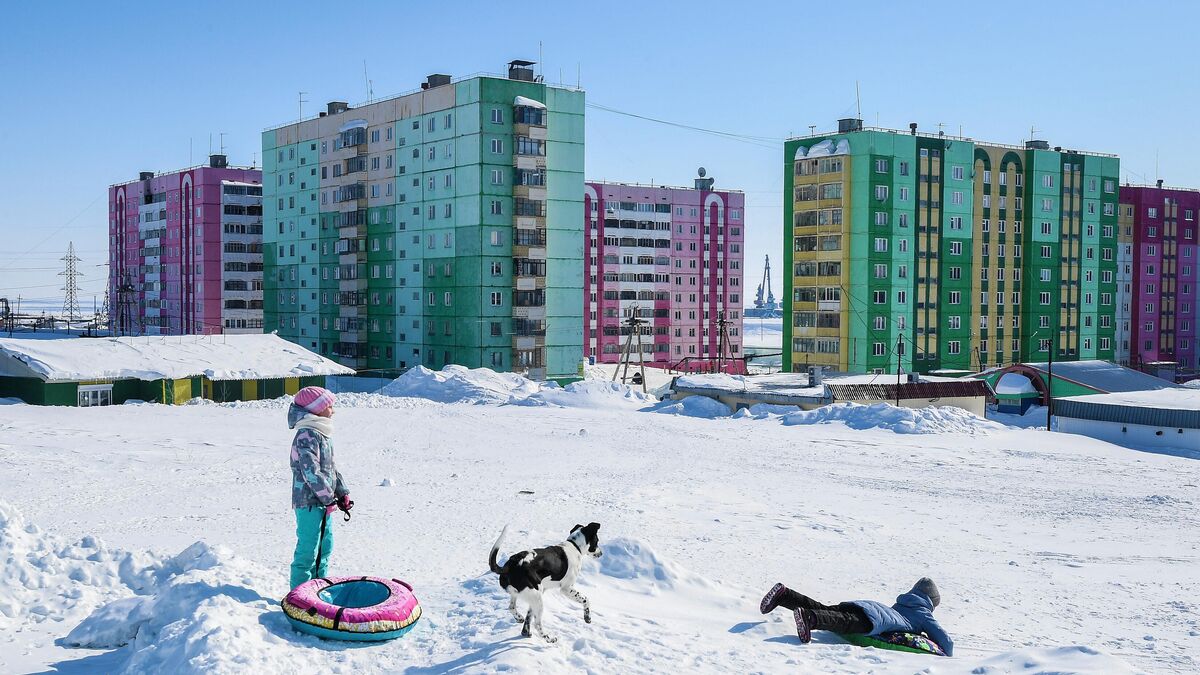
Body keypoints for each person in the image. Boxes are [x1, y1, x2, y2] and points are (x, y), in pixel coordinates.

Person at [758, 578, 953, 656]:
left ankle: (785, 595)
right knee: (844, 622)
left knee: (826, 609)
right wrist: (947, 655)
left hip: (864, 605)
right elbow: (946, 642)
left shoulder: (901, 604)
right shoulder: (923, 613)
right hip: (873, 620)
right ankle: (810, 619)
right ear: (931, 602)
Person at [288, 386, 353, 589]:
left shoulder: (322, 433)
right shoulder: (306, 435)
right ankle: (298, 596)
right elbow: (310, 472)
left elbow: (330, 469)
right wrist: (328, 498)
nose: (333, 410)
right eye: (330, 406)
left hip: (324, 503)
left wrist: (342, 493)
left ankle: (318, 590)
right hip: (308, 503)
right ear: (315, 410)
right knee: (308, 551)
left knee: (325, 548)